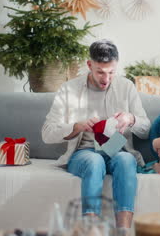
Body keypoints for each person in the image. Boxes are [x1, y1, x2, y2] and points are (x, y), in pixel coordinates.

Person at [42, 40, 150, 232]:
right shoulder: (69, 89)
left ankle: (122, 231)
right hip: (84, 153)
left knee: (126, 160)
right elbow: (47, 133)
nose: (106, 79)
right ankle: (91, 231)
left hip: (118, 150)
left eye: (111, 72)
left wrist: (131, 118)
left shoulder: (126, 87)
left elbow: (146, 128)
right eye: (100, 71)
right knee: (94, 162)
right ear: (89, 65)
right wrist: (76, 126)